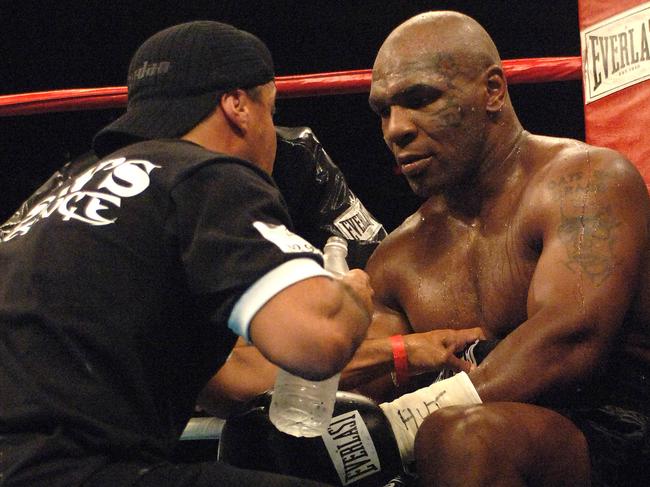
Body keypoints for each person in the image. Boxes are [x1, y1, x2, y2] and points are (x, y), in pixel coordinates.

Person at [0, 21, 375, 486]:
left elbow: (225, 386)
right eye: (271, 111)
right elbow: (318, 338)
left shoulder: (57, 194)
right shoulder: (202, 172)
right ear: (238, 106)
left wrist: (402, 353)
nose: (274, 135)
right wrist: (350, 294)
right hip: (65, 470)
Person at [365, 10, 650, 486]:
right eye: (383, 111)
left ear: (493, 90)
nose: (397, 129)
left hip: (623, 427)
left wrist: (401, 424)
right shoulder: (398, 259)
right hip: (480, 440)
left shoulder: (585, 182)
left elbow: (569, 341)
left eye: (420, 99)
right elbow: (365, 380)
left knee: (461, 436)